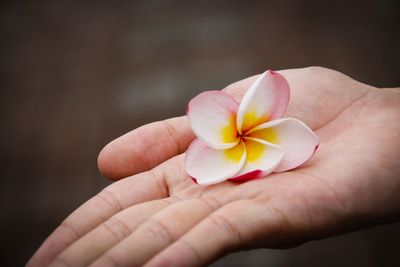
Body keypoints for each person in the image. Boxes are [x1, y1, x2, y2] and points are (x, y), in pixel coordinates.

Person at [27, 67, 400, 267]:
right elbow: (203, 164)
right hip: (239, 139)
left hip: (249, 137)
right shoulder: (214, 153)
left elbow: (292, 135)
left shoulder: (278, 132)